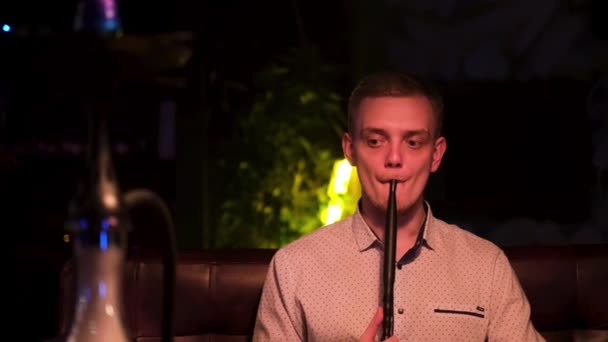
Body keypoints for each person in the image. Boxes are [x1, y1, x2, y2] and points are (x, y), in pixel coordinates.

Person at [253, 71, 545, 341]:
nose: (394, 158)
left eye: (413, 143)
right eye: (376, 141)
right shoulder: (294, 268)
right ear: (350, 149)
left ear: (436, 155)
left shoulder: (486, 266)